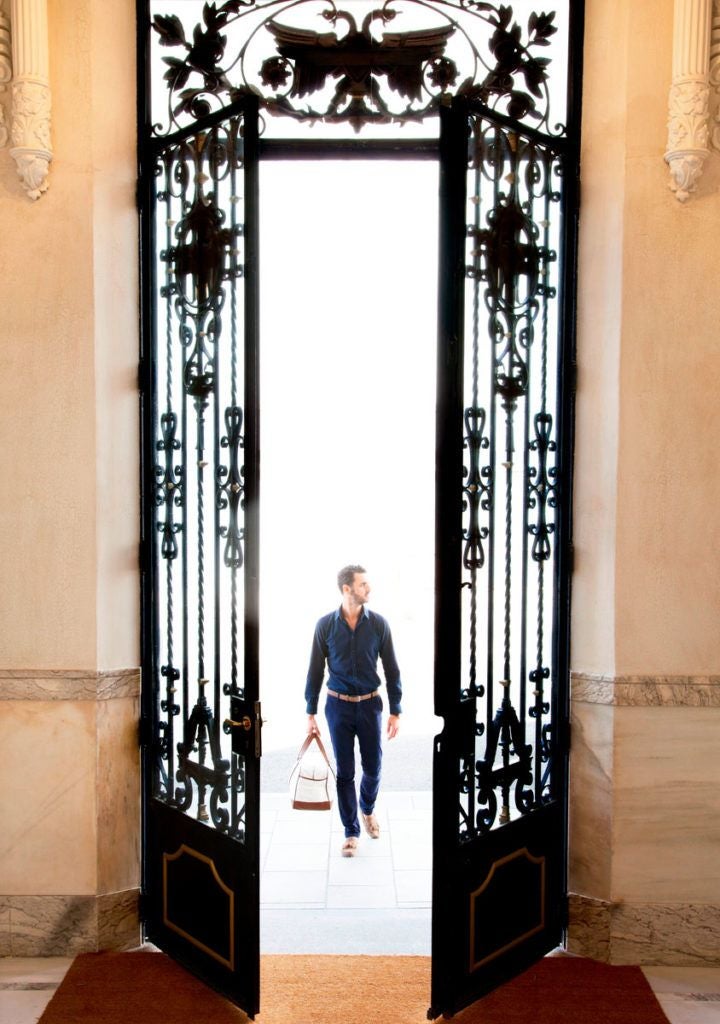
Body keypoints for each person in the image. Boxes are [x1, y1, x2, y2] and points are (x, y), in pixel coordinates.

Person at [305, 564, 402, 857]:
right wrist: (310, 713)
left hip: (371, 705)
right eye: (363, 585)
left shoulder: (379, 624)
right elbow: (314, 671)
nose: (368, 589)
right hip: (338, 707)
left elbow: (392, 668)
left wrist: (396, 709)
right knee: (345, 772)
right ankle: (350, 832)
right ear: (347, 589)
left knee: (373, 768)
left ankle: (367, 809)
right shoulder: (325, 625)